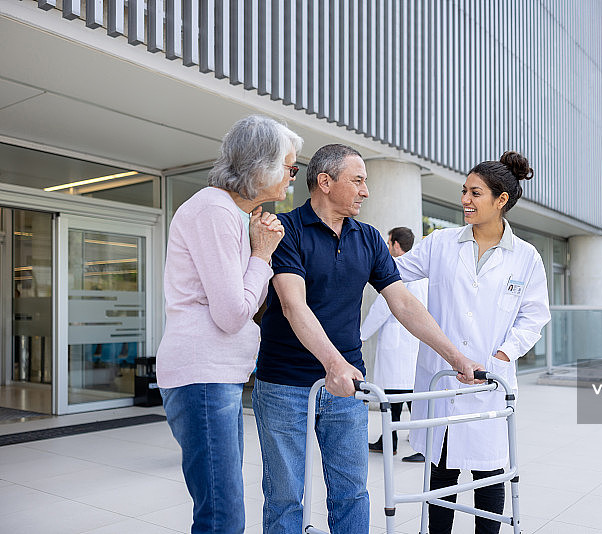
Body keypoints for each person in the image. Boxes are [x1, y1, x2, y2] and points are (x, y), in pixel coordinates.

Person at [252, 143, 484, 534]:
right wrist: (334, 363)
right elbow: (293, 306)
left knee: (351, 492)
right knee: (286, 496)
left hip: (348, 387)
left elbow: (403, 304)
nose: (366, 190)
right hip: (285, 382)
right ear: (325, 182)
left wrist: (456, 358)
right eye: (358, 180)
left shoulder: (370, 238)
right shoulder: (286, 230)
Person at [157, 115, 302, 534]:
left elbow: (245, 300)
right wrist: (263, 253)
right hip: (203, 374)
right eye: (290, 167)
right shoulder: (214, 211)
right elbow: (232, 313)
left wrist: (260, 252)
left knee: (221, 507)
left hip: (214, 374)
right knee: (222, 514)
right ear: (263, 166)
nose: (292, 178)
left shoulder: (230, 213)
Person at [395, 151, 551, 534]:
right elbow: (391, 271)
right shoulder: (441, 244)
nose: (465, 199)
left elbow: (534, 317)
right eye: (464, 190)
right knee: (442, 473)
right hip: (444, 377)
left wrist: (501, 355)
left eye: (475, 192)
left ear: (501, 201)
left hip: (489, 380)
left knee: (489, 474)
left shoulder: (526, 257)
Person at [361, 227, 428, 457]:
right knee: (406, 397)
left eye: (389, 243)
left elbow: (382, 308)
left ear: (397, 245)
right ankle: (389, 440)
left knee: (395, 396)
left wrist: (360, 335)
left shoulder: (398, 269)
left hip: (398, 345)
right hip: (411, 344)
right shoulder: (420, 271)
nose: (387, 248)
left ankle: (419, 446)